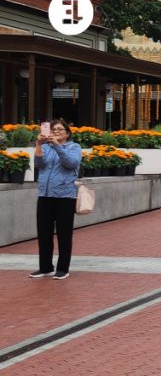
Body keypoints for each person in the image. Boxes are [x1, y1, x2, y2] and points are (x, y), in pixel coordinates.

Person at [30, 119, 81, 280]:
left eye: (60, 129)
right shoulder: (46, 147)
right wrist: (38, 144)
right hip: (45, 195)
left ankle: (63, 269)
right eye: (54, 129)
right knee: (44, 233)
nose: (56, 131)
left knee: (63, 234)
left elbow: (71, 163)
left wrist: (58, 147)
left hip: (65, 196)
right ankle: (45, 267)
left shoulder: (74, 147)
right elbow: (38, 164)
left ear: (67, 133)